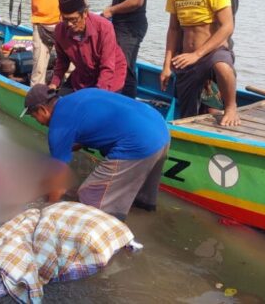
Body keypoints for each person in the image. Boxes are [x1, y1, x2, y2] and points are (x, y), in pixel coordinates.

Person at [21, 84, 170, 220]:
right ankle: (145, 221)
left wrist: (47, 210)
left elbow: (58, 186)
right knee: (140, 201)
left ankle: (111, 236)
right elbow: (93, 127)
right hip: (160, 129)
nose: (38, 122)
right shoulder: (80, 96)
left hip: (139, 142)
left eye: (35, 117)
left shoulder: (58, 128)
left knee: (89, 196)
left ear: (42, 110)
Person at [160, 0, 240, 126]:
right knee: (186, 115)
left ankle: (231, 107)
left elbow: (227, 26)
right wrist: (166, 65)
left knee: (222, 66)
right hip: (187, 58)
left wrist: (198, 54)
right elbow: (174, 30)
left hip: (212, 52)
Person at [48, 0, 127, 95]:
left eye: (73, 20)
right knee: (63, 100)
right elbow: (62, 62)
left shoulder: (104, 28)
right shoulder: (60, 30)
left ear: (85, 13)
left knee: (98, 107)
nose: (69, 24)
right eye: (65, 19)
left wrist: (97, 96)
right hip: (84, 75)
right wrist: (54, 83)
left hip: (112, 75)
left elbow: (107, 68)